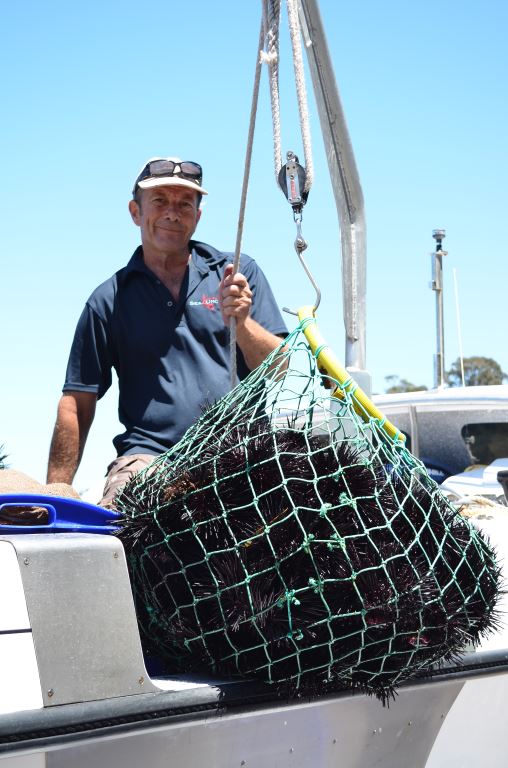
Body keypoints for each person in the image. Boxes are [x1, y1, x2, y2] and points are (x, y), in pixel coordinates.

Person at [47, 156, 288, 506]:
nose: (172, 213)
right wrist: (56, 492)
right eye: (159, 201)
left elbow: (281, 368)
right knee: (123, 516)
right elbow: (76, 403)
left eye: (184, 204)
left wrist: (244, 322)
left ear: (198, 216)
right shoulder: (107, 300)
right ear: (135, 212)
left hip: (240, 453)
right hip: (148, 459)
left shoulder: (237, 272)